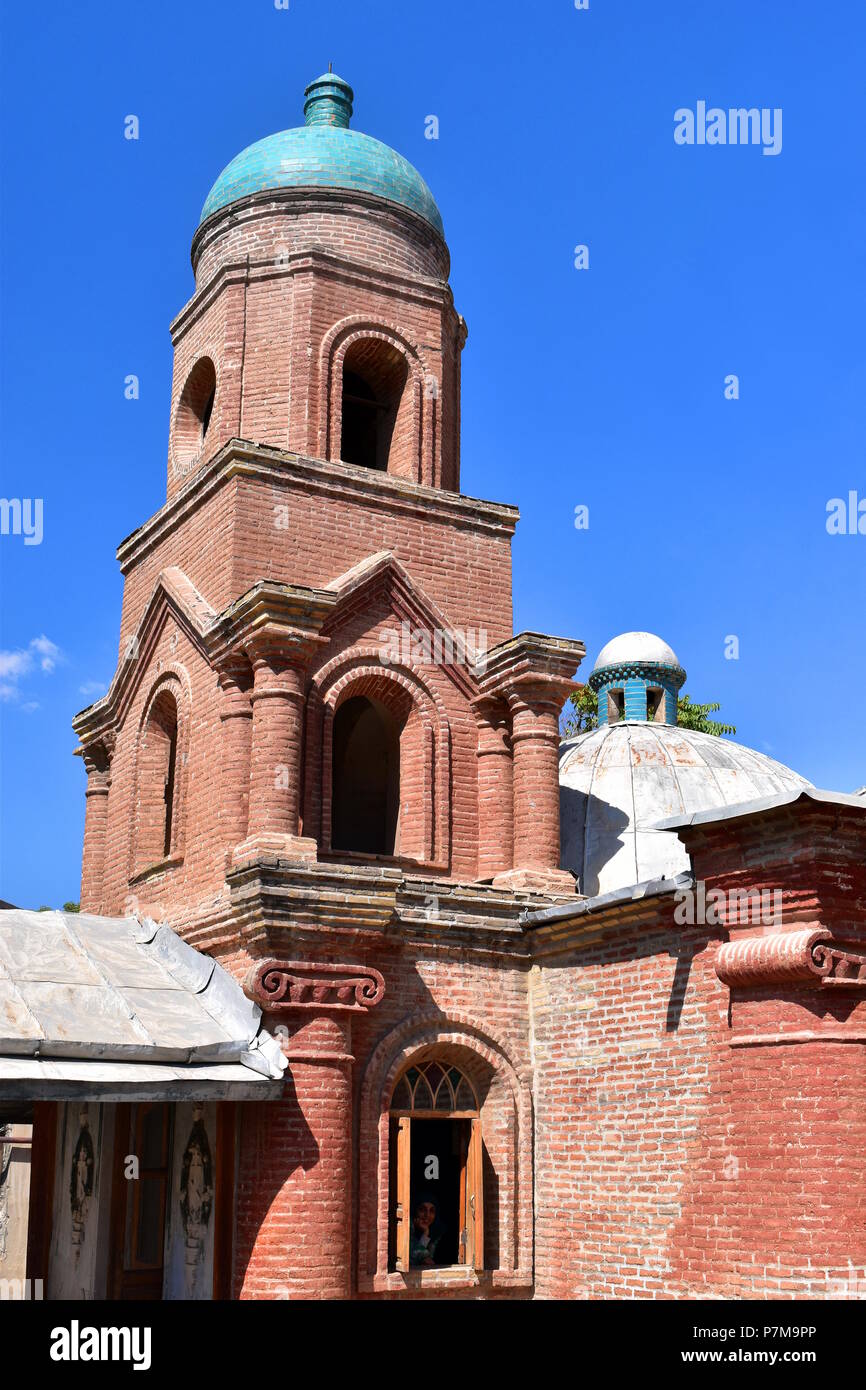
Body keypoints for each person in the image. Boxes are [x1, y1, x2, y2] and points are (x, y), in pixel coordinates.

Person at [409, 1195, 441, 1267]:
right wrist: (425, 1233)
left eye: (432, 1211)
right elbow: (418, 1257)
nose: (427, 1215)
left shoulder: (438, 1232)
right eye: (422, 1210)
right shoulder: (407, 1230)